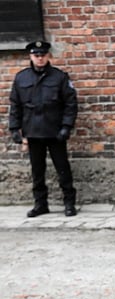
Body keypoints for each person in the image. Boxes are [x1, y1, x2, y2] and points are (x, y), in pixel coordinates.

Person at [9, 40, 78, 218]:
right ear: (31, 56)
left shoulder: (59, 77)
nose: (40, 58)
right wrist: (15, 129)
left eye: (43, 55)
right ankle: (41, 204)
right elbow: (15, 105)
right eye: (36, 55)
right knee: (37, 171)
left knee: (62, 168)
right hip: (32, 131)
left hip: (55, 131)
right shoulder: (21, 78)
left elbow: (70, 103)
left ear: (49, 56)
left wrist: (66, 127)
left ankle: (69, 202)